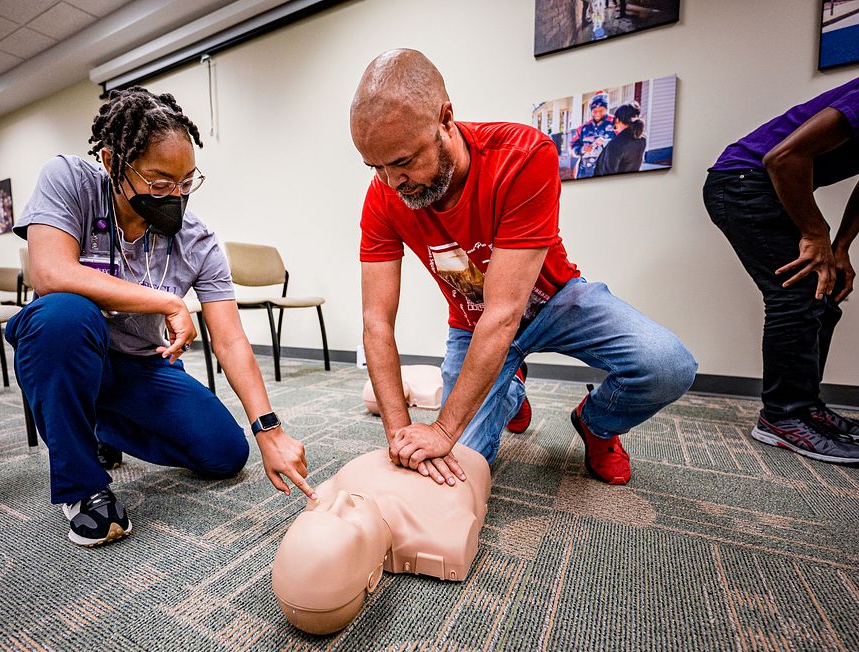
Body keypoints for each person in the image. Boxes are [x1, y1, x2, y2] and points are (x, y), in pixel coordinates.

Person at [350, 49, 696, 489]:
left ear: (445, 119)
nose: (391, 182)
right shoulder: (384, 195)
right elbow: (376, 322)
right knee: (454, 468)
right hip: (472, 325)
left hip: (556, 301)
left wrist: (440, 429)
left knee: (668, 365)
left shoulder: (522, 155)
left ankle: (597, 424)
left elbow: (505, 312)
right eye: (375, 167)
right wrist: (402, 438)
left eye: (402, 162)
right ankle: (509, 393)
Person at [5, 87, 315, 547]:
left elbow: (229, 340)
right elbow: (50, 273)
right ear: (112, 162)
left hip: (143, 363)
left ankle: (96, 424)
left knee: (224, 452)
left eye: (186, 182)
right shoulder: (69, 179)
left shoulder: (198, 241)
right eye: (158, 182)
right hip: (69, 349)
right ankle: (84, 487)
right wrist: (167, 302)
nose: (175, 195)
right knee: (63, 315)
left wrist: (268, 428)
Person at [703, 78, 859, 464]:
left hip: (762, 183)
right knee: (796, 293)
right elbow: (782, 158)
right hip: (742, 181)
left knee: (825, 291)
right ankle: (782, 417)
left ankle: (805, 408)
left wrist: (840, 248)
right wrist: (815, 232)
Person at [271, 444, 491, 635]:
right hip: (464, 457)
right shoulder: (442, 527)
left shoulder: (327, 495)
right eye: (350, 521)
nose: (341, 499)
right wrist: (444, 433)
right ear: (374, 576)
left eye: (323, 513)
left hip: (403, 442)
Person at [593, 102, 646, 177]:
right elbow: (625, 149)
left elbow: (607, 176)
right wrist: (606, 142)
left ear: (617, 120)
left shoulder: (615, 144)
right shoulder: (642, 140)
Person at [570, 93, 616, 179]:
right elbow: (572, 147)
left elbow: (624, 142)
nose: (598, 113)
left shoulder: (615, 123)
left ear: (606, 109)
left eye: (601, 110)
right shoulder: (583, 128)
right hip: (584, 174)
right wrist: (581, 149)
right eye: (594, 111)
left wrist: (605, 142)